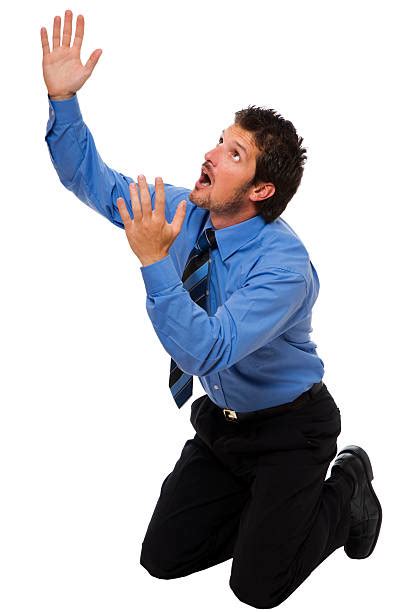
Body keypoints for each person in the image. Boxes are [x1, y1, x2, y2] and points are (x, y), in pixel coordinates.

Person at [40, 10, 382, 609]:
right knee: (162, 560)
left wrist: (153, 265)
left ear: (260, 191)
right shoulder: (184, 214)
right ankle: (270, 520)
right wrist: (63, 100)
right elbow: (91, 180)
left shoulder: (284, 270)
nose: (211, 153)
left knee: (257, 587)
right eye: (219, 141)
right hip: (221, 426)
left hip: (289, 430)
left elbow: (206, 348)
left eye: (233, 153)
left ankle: (346, 488)